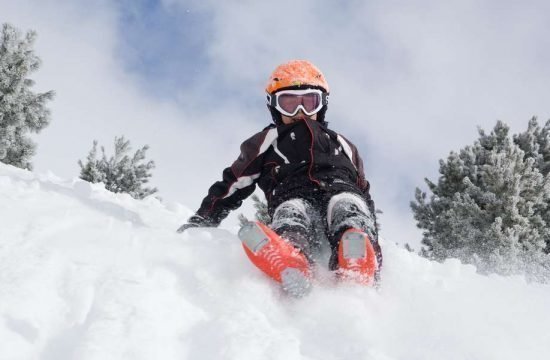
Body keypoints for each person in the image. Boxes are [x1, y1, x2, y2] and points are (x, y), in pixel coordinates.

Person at [177, 60, 382, 296]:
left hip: (340, 189)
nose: (300, 112)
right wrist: (204, 218)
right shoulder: (267, 140)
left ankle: (357, 258)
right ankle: (291, 259)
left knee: (349, 206)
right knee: (290, 213)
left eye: (309, 101)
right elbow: (233, 183)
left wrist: (371, 227)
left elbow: (363, 191)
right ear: (274, 107)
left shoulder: (343, 144)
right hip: (291, 193)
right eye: (289, 104)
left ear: (322, 104)